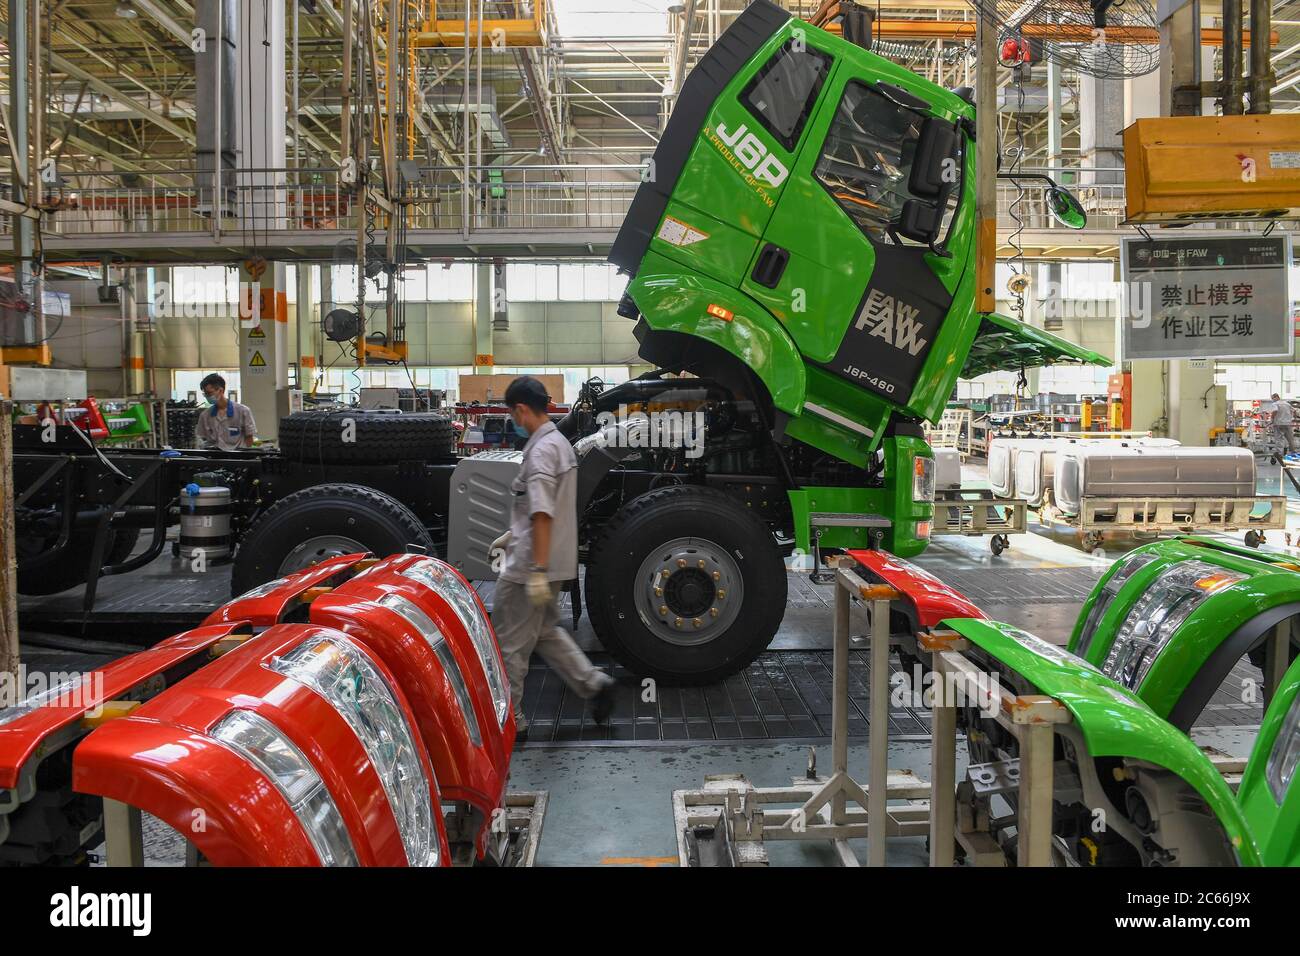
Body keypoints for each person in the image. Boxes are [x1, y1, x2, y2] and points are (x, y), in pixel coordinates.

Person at [489, 375, 615, 736]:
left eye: (513, 413)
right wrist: (512, 535)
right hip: (548, 558)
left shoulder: (542, 450)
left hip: (530, 568)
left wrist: (537, 569)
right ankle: (594, 684)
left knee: (509, 644)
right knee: (545, 632)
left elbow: (542, 512)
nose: (513, 420)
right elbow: (545, 509)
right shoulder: (559, 443)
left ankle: (513, 721)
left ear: (522, 409)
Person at [196, 373, 257, 451]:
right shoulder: (205, 415)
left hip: (237, 458)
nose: (207, 397)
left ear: (221, 390)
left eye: (209, 393)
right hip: (214, 458)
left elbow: (249, 438)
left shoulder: (243, 411)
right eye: (205, 394)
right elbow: (201, 438)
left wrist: (247, 458)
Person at [1269, 392, 1298, 459]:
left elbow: (1275, 410)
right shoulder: (1287, 404)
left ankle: (1280, 454)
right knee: (1290, 439)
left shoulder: (1275, 404)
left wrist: (1272, 418)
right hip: (1287, 423)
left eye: (1273, 398)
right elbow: (1294, 411)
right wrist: (1294, 418)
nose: (1273, 399)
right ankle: (1293, 452)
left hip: (1278, 424)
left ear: (1276, 397)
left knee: (1279, 439)